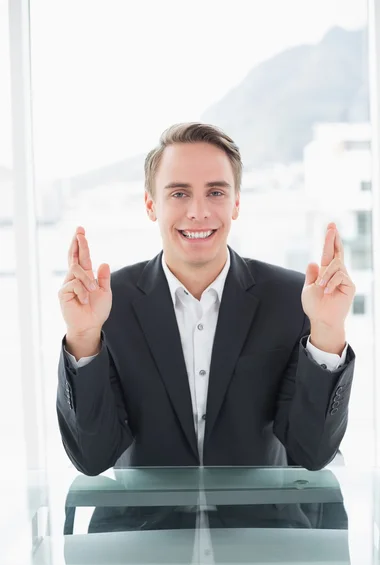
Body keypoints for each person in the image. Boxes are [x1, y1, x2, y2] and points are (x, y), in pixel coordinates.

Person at [57, 122, 356, 477]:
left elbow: (313, 452)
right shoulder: (108, 304)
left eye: (215, 193)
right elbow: (92, 458)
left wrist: (327, 329)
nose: (198, 211)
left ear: (236, 203)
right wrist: (83, 338)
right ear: (151, 204)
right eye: (179, 194)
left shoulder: (293, 299)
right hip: (146, 527)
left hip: (259, 525)